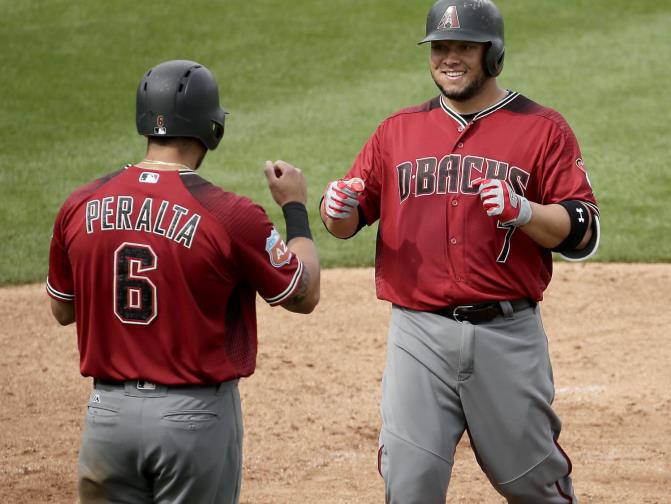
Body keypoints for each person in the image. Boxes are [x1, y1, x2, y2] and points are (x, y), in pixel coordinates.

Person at [320, 1, 600, 502]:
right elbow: (347, 220)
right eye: (440, 47)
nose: (450, 58)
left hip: (507, 337)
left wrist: (524, 211)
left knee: (535, 487)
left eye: (464, 47)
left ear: (492, 54)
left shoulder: (542, 129)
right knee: (410, 483)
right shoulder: (397, 131)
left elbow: (584, 229)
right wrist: (334, 207)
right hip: (418, 335)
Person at [46, 59, 320, 503]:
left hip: (107, 420)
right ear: (212, 129)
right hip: (191, 422)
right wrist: (295, 208)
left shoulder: (79, 205)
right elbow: (303, 294)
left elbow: (62, 309)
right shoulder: (230, 215)